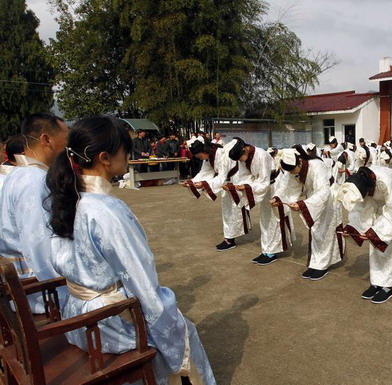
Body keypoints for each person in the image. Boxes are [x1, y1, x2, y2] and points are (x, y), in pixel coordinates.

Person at [45, 116, 216, 385]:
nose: (129, 157)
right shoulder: (107, 210)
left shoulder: (68, 199)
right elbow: (142, 283)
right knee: (183, 333)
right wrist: (170, 325)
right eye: (126, 151)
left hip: (77, 315)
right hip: (105, 324)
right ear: (105, 157)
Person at [0, 113, 69, 313]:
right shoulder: (33, 180)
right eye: (65, 140)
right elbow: (38, 244)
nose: (68, 147)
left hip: (25, 281)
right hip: (38, 291)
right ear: (46, 139)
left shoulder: (19, 173)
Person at [337, 166, 392, 304]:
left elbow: (391, 212)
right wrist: (353, 229)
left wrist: (375, 232)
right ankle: (378, 281)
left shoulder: (385, 181)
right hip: (377, 197)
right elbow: (359, 208)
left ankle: (388, 284)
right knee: (375, 237)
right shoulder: (362, 182)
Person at [272, 146, 344, 280]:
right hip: (313, 197)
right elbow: (285, 188)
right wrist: (277, 198)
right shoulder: (292, 169)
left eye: (294, 171)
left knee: (326, 230)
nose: (293, 174)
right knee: (316, 230)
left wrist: (302, 204)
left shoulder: (317, 166)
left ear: (299, 161)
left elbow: (324, 191)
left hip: (329, 197)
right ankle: (316, 262)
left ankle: (322, 264)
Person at [216, 138, 271, 252]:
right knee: (265, 219)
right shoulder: (243, 158)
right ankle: (268, 251)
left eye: (240, 159)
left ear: (244, 150)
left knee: (271, 219)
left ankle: (270, 252)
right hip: (259, 184)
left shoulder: (261, 155)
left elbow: (264, 181)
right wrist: (234, 187)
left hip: (272, 185)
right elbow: (245, 176)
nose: (240, 162)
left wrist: (247, 187)